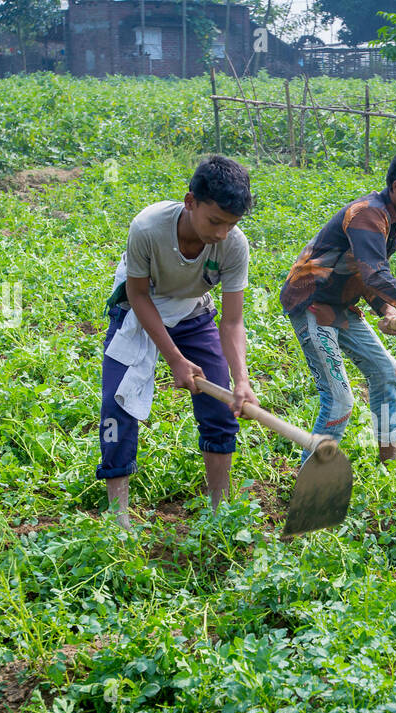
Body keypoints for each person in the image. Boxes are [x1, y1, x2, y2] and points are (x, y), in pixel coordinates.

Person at [97, 156, 258, 528]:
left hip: (193, 311)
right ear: (190, 202)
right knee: (115, 409)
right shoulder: (148, 228)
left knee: (219, 406)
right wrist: (174, 358)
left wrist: (242, 381)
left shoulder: (234, 245)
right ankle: (117, 518)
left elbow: (232, 321)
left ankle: (220, 507)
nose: (221, 233)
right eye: (214, 221)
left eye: (231, 224)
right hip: (139, 309)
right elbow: (137, 295)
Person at [280, 146, 396, 463]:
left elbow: (365, 273)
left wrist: (386, 309)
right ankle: (310, 485)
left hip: (341, 305)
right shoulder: (366, 214)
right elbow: (376, 273)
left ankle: (388, 465)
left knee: (386, 372)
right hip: (311, 302)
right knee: (339, 401)